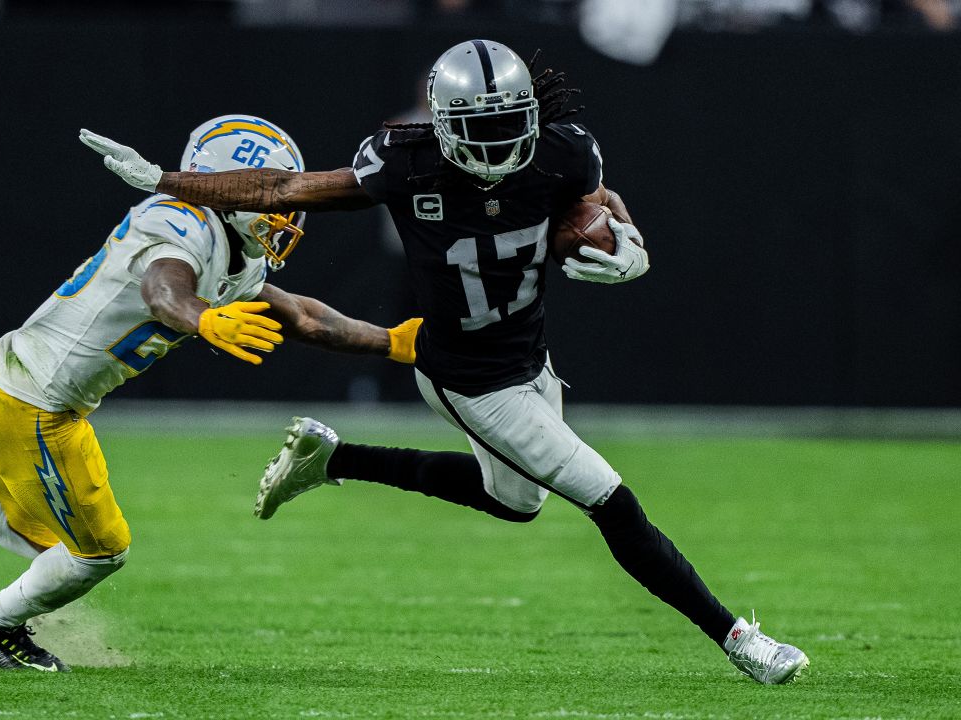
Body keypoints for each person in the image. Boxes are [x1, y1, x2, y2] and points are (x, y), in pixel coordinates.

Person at [79, 41, 809, 684]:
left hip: (528, 357)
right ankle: (740, 640)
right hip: (468, 377)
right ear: (441, 124)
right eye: (478, 129)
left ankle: (333, 461)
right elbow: (281, 188)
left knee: (515, 502)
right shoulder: (403, 160)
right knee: (609, 499)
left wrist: (631, 244)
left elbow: (597, 203)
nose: (495, 145)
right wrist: (168, 180)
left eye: (505, 125)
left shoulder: (565, 149)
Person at [0, 115, 421, 673]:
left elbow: (305, 318)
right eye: (266, 193)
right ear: (225, 187)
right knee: (96, 554)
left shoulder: (237, 250)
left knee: (49, 546)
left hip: (28, 391)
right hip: (33, 403)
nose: (283, 211)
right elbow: (162, 289)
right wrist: (202, 317)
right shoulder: (180, 221)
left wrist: (392, 342)